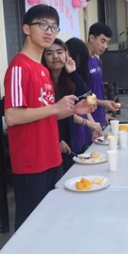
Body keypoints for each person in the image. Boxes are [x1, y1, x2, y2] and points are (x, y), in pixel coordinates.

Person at [4, 4, 95, 229]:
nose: (49, 31)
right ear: (26, 28)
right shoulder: (19, 66)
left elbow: (42, 115)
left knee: (49, 221)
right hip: (31, 162)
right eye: (43, 24)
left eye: (54, 27)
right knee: (30, 226)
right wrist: (55, 108)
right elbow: (12, 116)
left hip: (52, 157)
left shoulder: (42, 70)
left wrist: (73, 110)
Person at [42, 39, 102, 172]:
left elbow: (88, 96)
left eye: (59, 52)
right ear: (43, 57)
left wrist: (73, 72)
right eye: (49, 53)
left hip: (68, 134)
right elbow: (46, 115)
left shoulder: (68, 79)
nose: (55, 57)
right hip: (50, 138)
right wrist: (57, 139)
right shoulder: (43, 80)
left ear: (66, 54)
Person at [65, 37, 103, 153]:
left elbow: (86, 98)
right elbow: (66, 113)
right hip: (71, 128)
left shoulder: (77, 76)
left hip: (82, 125)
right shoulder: (66, 79)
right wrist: (89, 123)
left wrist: (93, 125)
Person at [85, 22, 119, 127]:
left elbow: (97, 90)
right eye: (102, 41)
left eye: (107, 43)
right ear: (92, 38)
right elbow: (83, 95)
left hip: (100, 118)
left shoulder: (96, 60)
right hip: (88, 120)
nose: (105, 46)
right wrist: (103, 103)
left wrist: (103, 114)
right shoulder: (82, 61)